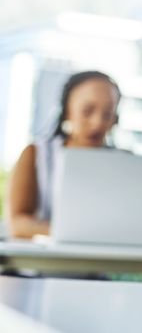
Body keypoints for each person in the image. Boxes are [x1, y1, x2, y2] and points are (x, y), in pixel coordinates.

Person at [5, 71, 121, 239]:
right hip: (46, 262)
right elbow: (17, 224)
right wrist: (79, 236)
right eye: (87, 111)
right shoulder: (36, 153)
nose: (97, 123)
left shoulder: (123, 163)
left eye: (107, 114)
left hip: (105, 262)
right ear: (67, 109)